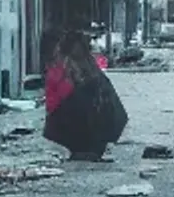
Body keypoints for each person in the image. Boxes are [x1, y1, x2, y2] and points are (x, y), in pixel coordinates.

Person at [43, 29, 128, 160]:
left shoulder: (64, 67)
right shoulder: (90, 67)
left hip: (78, 124)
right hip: (97, 128)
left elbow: (55, 101)